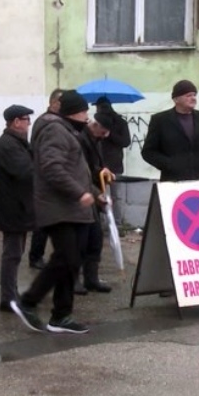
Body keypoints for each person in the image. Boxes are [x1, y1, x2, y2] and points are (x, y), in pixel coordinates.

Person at [10, 90, 97, 334]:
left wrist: (96, 194)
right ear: (72, 112)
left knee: (72, 261)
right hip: (58, 207)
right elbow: (52, 168)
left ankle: (61, 315)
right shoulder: (55, 130)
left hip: (72, 208)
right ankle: (28, 302)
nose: (87, 117)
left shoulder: (68, 131)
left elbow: (75, 171)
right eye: (84, 112)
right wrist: (79, 193)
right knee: (66, 258)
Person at [0, 105, 36, 312]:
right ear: (16, 122)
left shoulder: (18, 143)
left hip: (20, 206)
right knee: (12, 254)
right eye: (26, 119)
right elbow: (24, 171)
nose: (29, 123)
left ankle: (11, 293)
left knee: (16, 253)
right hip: (13, 207)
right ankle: (8, 297)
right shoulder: (8, 145)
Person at [142, 79, 199, 181]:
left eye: (194, 95)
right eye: (188, 95)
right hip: (173, 182)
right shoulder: (160, 120)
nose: (193, 98)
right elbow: (148, 152)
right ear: (176, 99)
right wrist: (169, 164)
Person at [75, 114, 113, 295]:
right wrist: (96, 193)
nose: (105, 136)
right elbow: (81, 172)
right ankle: (73, 280)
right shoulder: (81, 140)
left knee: (95, 238)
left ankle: (91, 278)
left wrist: (103, 171)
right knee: (79, 241)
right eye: (103, 131)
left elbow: (94, 166)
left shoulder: (94, 139)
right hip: (82, 195)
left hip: (93, 194)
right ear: (95, 126)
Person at [28, 89, 64, 270]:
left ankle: (40, 256)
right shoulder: (47, 121)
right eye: (61, 102)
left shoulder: (50, 121)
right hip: (45, 176)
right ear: (53, 103)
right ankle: (36, 256)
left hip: (47, 175)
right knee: (43, 221)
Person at [95, 96, 131, 229]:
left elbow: (125, 142)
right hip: (102, 164)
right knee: (109, 196)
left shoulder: (120, 122)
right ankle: (109, 223)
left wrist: (110, 135)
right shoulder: (97, 123)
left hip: (110, 164)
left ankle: (115, 223)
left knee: (112, 196)